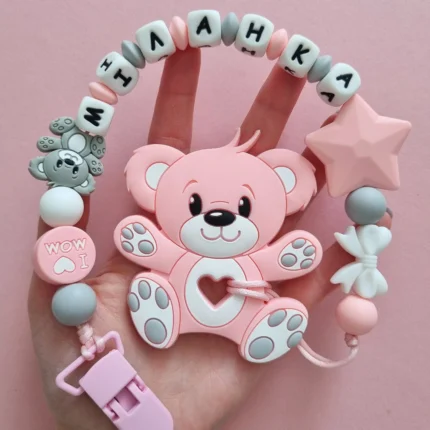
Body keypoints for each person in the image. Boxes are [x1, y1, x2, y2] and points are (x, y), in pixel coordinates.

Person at [28, 48, 392, 430]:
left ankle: (258, 330)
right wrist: (149, 245)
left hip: (239, 310)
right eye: (196, 205)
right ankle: (163, 312)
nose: (219, 217)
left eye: (243, 206)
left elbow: (267, 263)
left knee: (255, 300)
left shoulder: (249, 258)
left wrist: (284, 258)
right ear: (154, 179)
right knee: (159, 280)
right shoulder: (183, 246)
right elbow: (167, 255)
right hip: (178, 305)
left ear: (287, 185)